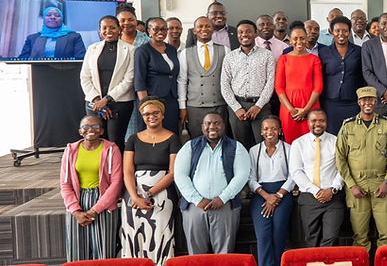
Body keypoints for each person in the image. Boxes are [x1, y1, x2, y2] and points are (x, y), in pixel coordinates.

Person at [173, 112, 249, 254]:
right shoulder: (190, 147)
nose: (212, 127)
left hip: (225, 206)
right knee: (196, 254)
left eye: (217, 123)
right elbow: (180, 176)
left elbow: (242, 176)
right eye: (208, 123)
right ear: (202, 127)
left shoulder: (236, 147)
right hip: (194, 207)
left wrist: (222, 198)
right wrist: (197, 200)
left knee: (224, 253)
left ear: (224, 125)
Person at [336, 86, 387, 251]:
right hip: (357, 185)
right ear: (359, 102)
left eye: (371, 100)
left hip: (381, 183)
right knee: (359, 237)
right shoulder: (348, 126)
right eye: (364, 100)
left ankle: (385, 262)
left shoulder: (386, 124)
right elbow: (340, 159)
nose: (367, 103)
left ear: (376, 101)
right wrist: (352, 185)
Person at [120, 98, 180, 264]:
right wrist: (135, 197)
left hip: (162, 195)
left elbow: (173, 173)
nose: (151, 116)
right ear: (142, 116)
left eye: (155, 113)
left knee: (160, 236)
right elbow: (128, 171)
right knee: (133, 236)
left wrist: (148, 194)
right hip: (134, 195)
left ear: (162, 115)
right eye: (147, 114)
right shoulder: (133, 139)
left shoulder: (173, 138)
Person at [60, 115, 122, 261]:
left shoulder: (111, 149)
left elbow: (116, 183)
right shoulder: (70, 150)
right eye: (86, 127)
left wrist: (94, 210)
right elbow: (65, 183)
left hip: (104, 202)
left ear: (102, 131)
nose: (91, 130)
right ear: (80, 131)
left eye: (96, 127)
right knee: (76, 252)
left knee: (104, 253)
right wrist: (75, 211)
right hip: (77, 201)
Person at [288, 109, 345, 247]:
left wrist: (332, 189)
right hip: (309, 197)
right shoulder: (298, 143)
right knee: (311, 239)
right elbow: (296, 172)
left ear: (326, 122)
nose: (318, 124)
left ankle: (326, 259)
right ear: (308, 122)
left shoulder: (336, 141)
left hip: (333, 197)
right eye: (314, 121)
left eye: (321, 121)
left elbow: (342, 169)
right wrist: (316, 191)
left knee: (330, 238)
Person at [80, 15, 136, 150]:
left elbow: (129, 79)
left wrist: (106, 100)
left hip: (120, 103)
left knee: (115, 141)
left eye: (112, 27)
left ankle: (116, 164)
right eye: (104, 28)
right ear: (100, 30)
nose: (108, 31)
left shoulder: (131, 50)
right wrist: (97, 100)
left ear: (119, 29)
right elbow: (85, 76)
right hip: (94, 104)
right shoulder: (92, 49)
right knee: (95, 140)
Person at [221, 19, 277, 149]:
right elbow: (224, 85)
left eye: (248, 31)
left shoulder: (267, 55)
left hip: (261, 107)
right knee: (241, 147)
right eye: (240, 32)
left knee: (263, 145)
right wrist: (236, 108)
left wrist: (258, 106)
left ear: (255, 33)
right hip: (237, 107)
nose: (244, 35)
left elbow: (270, 82)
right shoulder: (230, 57)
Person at [248, 116, 295, 266]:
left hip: (283, 193)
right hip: (261, 194)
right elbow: (251, 178)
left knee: (278, 233)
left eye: (274, 128)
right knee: (263, 235)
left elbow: (293, 176)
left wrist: (279, 195)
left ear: (280, 130)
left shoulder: (289, 149)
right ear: (261, 132)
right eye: (266, 129)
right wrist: (267, 196)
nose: (270, 132)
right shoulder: (254, 151)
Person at [178, 16, 229, 138]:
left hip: (220, 105)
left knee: (221, 139)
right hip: (195, 107)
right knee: (197, 140)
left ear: (213, 29)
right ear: (194, 31)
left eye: (207, 26)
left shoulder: (225, 50)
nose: (204, 29)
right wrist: (182, 107)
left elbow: (229, 79)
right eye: (200, 26)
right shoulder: (185, 53)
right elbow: (182, 81)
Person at [275, 25, 323, 143]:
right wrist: (291, 110)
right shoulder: (283, 59)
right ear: (290, 40)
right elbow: (279, 88)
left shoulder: (314, 59)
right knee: (290, 143)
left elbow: (318, 87)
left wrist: (306, 110)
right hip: (288, 108)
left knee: (311, 143)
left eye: (302, 38)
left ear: (306, 39)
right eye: (295, 38)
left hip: (310, 106)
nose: (299, 42)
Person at [319, 16, 365, 135]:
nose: (341, 34)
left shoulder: (359, 51)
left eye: (345, 31)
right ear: (332, 32)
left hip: (353, 102)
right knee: (332, 136)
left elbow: (364, 76)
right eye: (337, 31)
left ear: (349, 32)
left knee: (353, 135)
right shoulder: (324, 52)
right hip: (330, 103)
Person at [135, 17, 181, 133]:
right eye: (156, 29)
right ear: (149, 31)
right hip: (152, 100)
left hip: (171, 100)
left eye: (164, 29)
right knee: (153, 134)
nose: (160, 32)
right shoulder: (143, 51)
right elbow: (139, 81)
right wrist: (146, 105)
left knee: (171, 133)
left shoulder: (171, 49)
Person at [20, 5, 86, 59]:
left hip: (66, 70)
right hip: (36, 69)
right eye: (48, 15)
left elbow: (81, 58)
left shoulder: (74, 37)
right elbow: (23, 59)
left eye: (57, 15)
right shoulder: (32, 38)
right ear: (44, 18)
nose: (53, 17)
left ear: (62, 19)